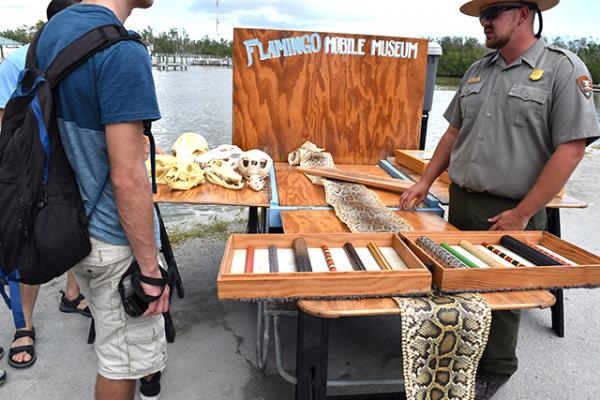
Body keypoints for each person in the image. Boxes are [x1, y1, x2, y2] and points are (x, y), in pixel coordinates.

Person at [400, 0, 599, 399]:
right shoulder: (478, 70)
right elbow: (453, 134)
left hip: (512, 210)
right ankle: (459, 350)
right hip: (462, 199)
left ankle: (496, 369)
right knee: (455, 281)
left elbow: (571, 149)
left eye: (493, 13)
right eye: (481, 15)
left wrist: (524, 213)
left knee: (504, 295)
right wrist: (425, 181)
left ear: (523, 14)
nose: (484, 22)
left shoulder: (563, 68)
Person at [34, 1, 169, 399]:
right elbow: (127, 177)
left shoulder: (52, 33)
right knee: (120, 361)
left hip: (68, 222)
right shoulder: (122, 51)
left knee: (116, 349)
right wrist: (149, 270)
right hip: (112, 240)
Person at [0, 0, 93, 373]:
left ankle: (72, 295)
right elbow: (5, 123)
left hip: (70, 163)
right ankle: (24, 325)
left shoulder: (85, 55)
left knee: (75, 224)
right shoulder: (17, 61)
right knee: (27, 240)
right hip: (27, 167)